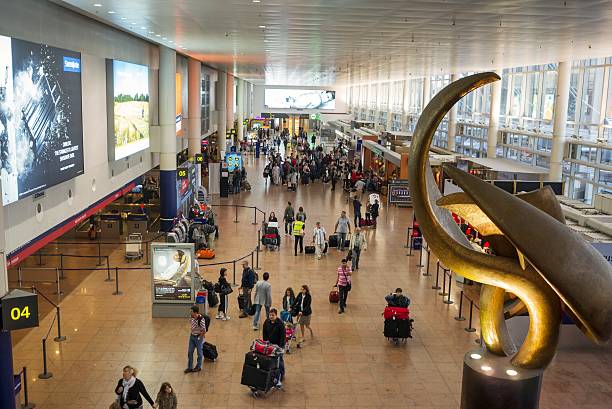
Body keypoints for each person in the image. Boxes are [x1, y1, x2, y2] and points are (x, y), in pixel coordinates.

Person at [262, 308, 286, 386]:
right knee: (271, 359)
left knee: (280, 360)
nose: (271, 316)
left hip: (279, 345)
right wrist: (266, 342)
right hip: (270, 344)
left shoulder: (280, 324)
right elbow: (264, 333)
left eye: (273, 315)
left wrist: (280, 347)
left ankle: (281, 375)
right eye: (270, 315)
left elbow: (283, 336)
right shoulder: (266, 322)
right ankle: (272, 374)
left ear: (276, 315)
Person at [185, 305, 206, 373]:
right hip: (192, 336)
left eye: (191, 312)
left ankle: (198, 367)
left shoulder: (201, 319)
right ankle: (190, 367)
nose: (190, 313)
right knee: (190, 352)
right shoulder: (191, 317)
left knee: (199, 354)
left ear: (196, 312)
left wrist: (200, 338)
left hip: (198, 337)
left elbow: (204, 330)